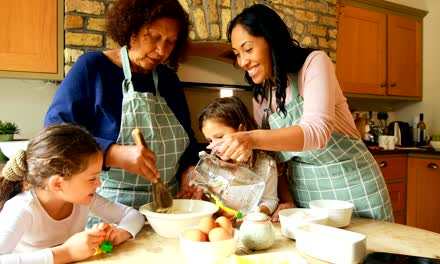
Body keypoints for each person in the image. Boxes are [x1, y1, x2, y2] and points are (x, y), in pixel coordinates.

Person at [212, 4, 393, 222]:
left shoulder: (314, 63)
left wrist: (252, 138)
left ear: (271, 40)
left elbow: (317, 132)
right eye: (237, 54)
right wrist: (286, 199)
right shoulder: (262, 93)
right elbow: (275, 160)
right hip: (305, 195)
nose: (242, 62)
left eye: (248, 49)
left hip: (353, 188)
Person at [43, 0, 203, 224]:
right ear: (132, 28)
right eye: (154, 36)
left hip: (167, 212)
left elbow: (187, 141)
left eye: (170, 43)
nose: (161, 51)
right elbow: (55, 134)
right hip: (110, 212)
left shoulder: (169, 81)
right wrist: (114, 153)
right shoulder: (93, 69)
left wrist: (189, 171)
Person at [0, 124, 145, 263]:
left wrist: (119, 233)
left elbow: (133, 215)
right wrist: (67, 252)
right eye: (92, 178)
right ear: (58, 184)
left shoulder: (81, 199)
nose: (99, 184)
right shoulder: (21, 209)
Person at [198, 96, 279, 216]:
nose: (213, 146)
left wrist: (257, 213)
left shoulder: (266, 164)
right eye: (210, 140)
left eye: (220, 137)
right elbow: (209, 198)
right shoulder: (213, 166)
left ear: (241, 130)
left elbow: (270, 200)